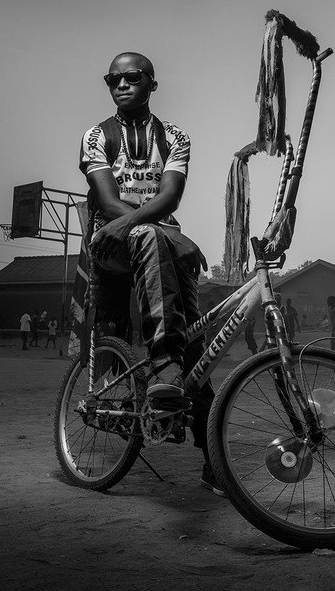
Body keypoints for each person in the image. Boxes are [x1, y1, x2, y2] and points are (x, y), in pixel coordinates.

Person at [79, 51, 218, 495]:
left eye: (132, 77)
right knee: (150, 237)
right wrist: (152, 228)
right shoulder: (95, 136)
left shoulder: (175, 136)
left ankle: (212, 458)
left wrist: (164, 231)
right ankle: (163, 369)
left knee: (194, 340)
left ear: (152, 83)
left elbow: (171, 195)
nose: (121, 84)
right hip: (112, 243)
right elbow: (105, 201)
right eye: (112, 79)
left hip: (161, 240)